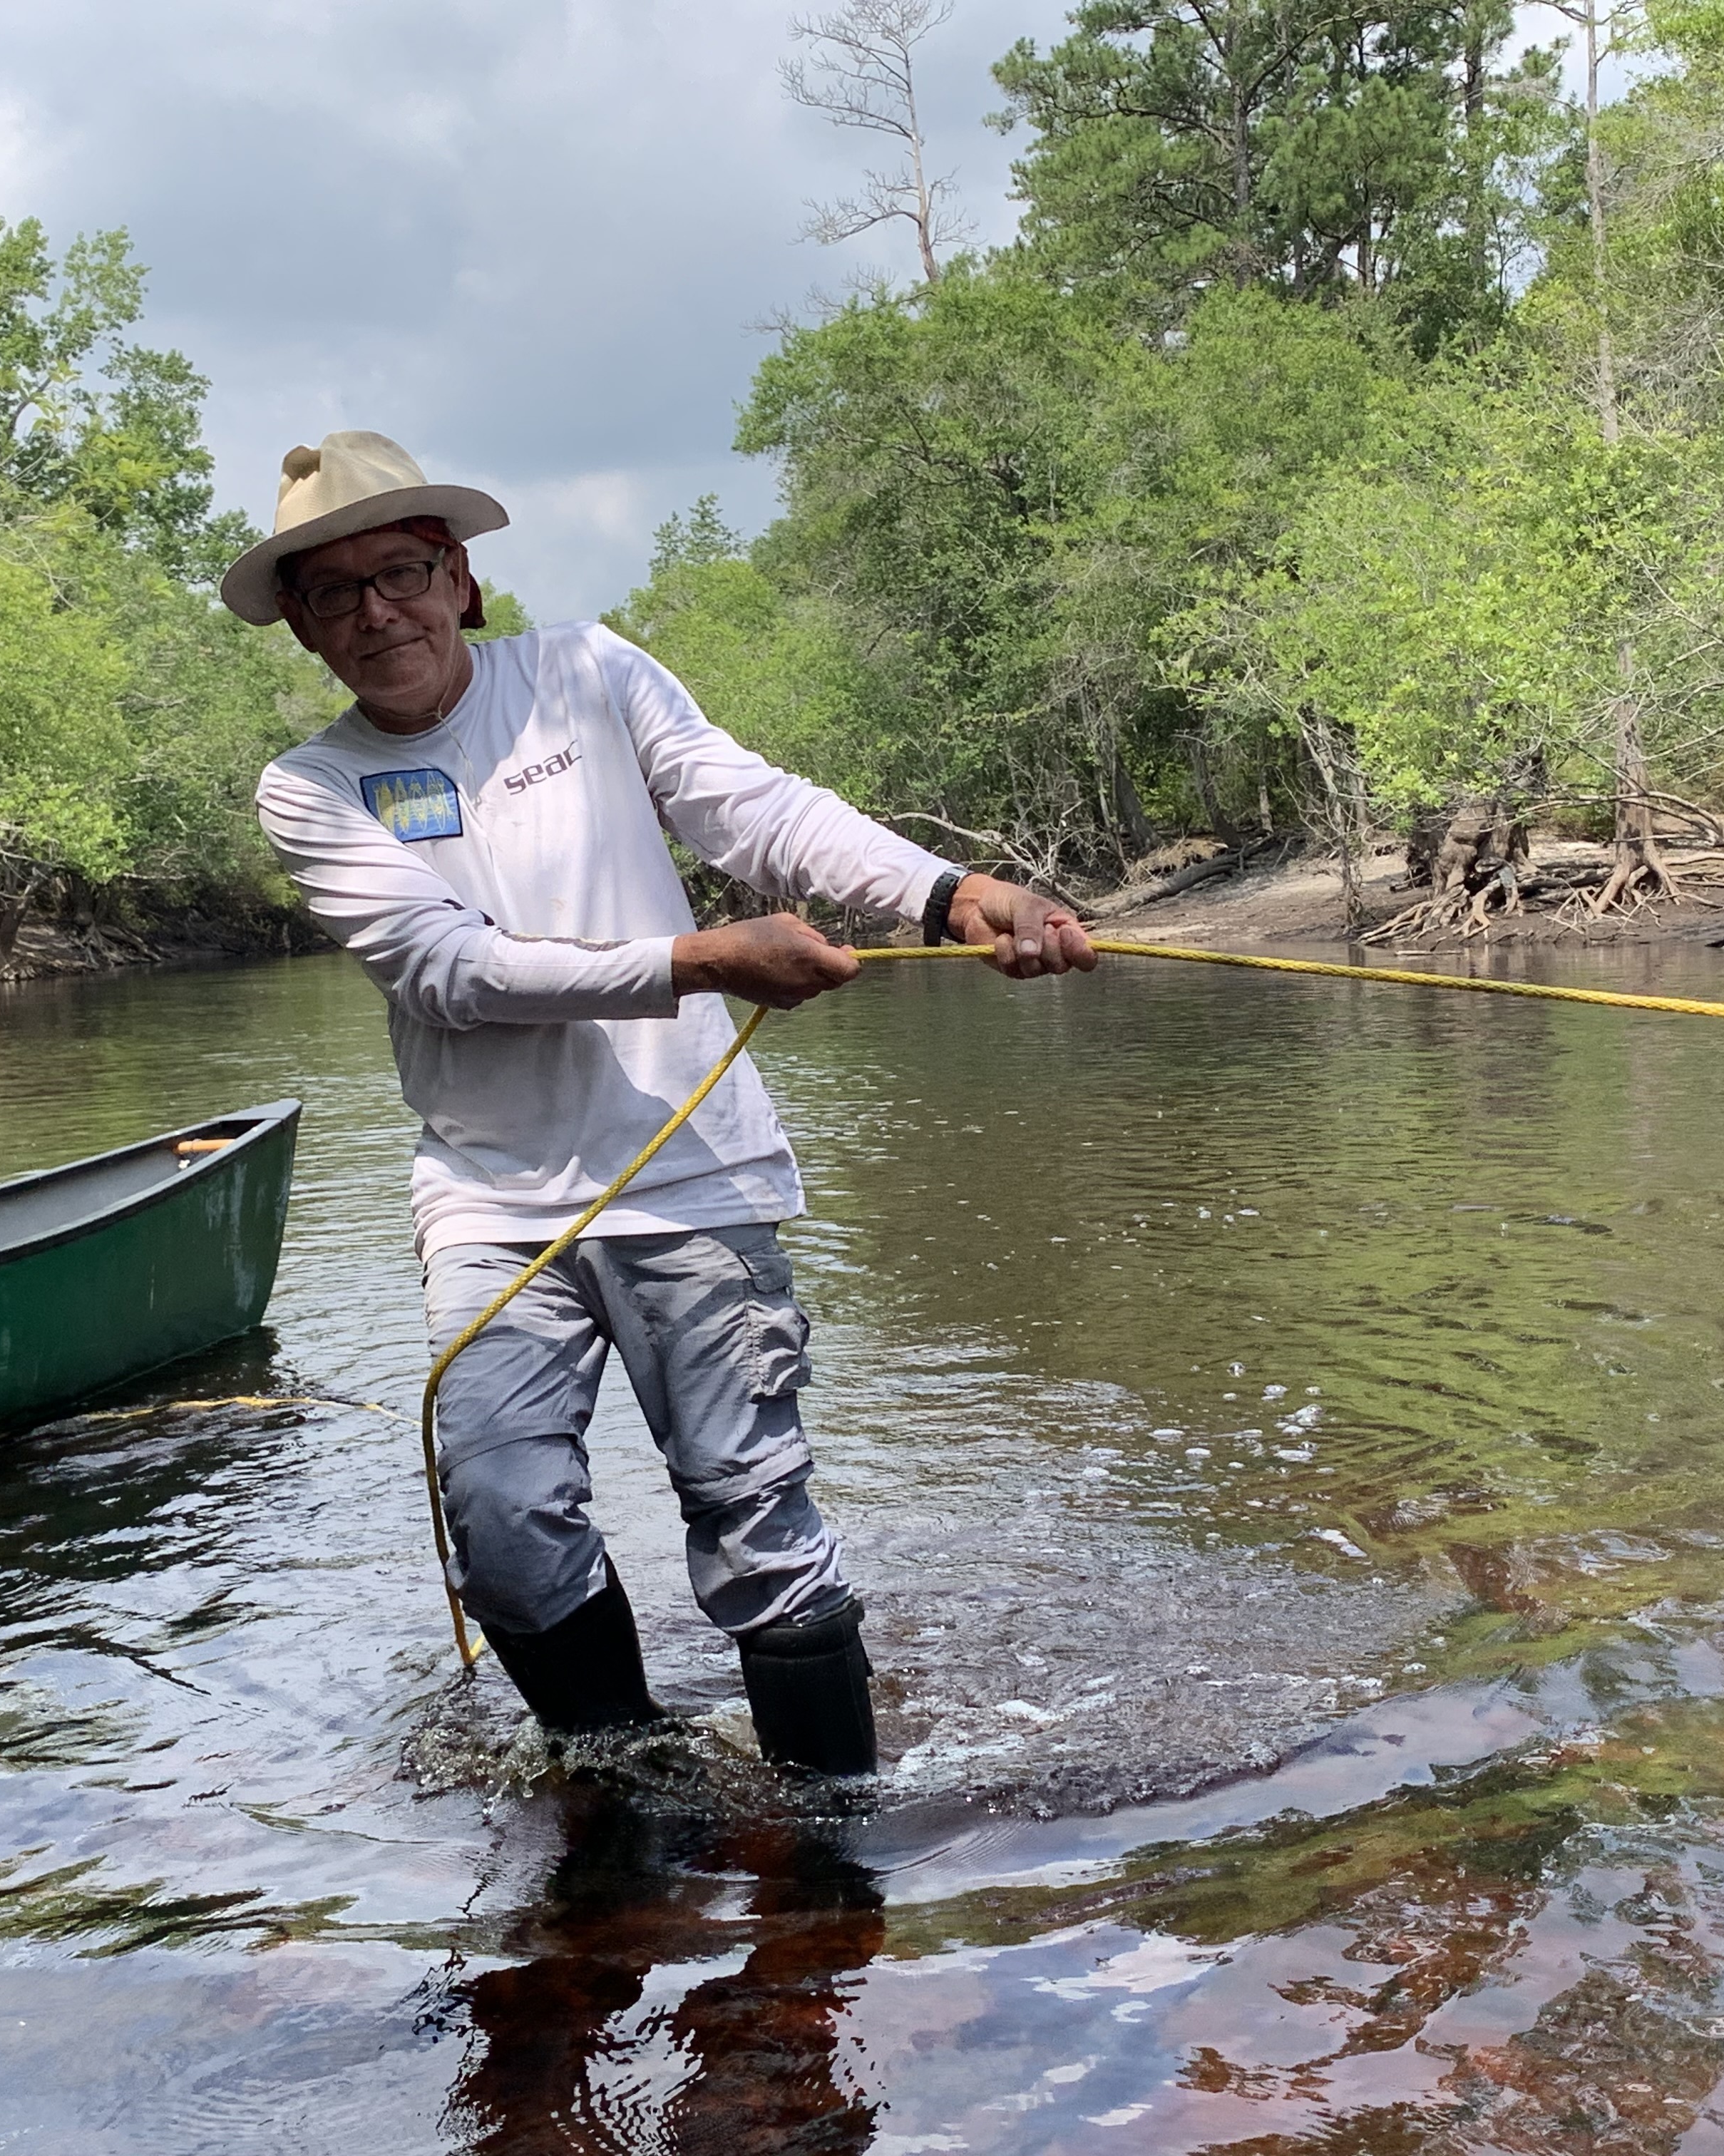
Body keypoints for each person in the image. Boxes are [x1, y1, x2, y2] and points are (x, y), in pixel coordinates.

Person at [225, 431, 1093, 1774]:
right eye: (333, 594)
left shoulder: (584, 671)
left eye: (399, 572)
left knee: (756, 1526)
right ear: (301, 629)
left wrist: (949, 894)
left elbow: (755, 812)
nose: (376, 611)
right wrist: (701, 961)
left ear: (457, 574)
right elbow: (447, 970)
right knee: (504, 1525)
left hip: (693, 1174)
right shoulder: (310, 790)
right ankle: (635, 1799)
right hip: (491, 1204)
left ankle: (830, 1861)